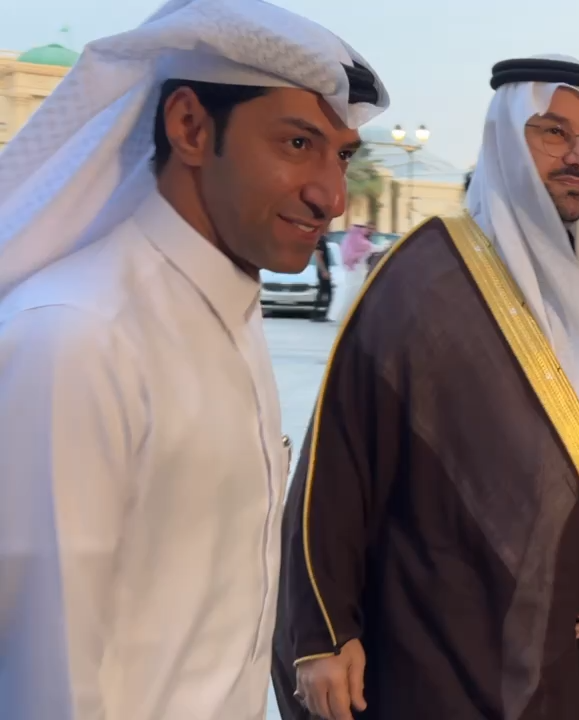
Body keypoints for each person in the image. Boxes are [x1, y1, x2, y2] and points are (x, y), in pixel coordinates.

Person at [0, 2, 388, 719]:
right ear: (190, 127)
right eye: (297, 143)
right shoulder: (78, 338)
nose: (331, 196)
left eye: (340, 155)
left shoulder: (224, 315)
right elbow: (45, 685)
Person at [271, 56, 579, 720]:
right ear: (508, 140)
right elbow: (340, 465)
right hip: (443, 636)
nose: (578, 156)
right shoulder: (423, 275)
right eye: (553, 132)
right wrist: (323, 632)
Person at [327, 223, 373, 321]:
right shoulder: (360, 241)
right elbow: (371, 248)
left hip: (352, 271)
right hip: (357, 271)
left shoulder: (348, 240)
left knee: (351, 292)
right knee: (355, 292)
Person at [313, 233, 336, 321]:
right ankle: (318, 314)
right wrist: (324, 271)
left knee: (325, 292)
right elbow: (318, 256)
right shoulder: (320, 241)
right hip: (322, 270)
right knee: (324, 292)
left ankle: (322, 314)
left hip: (324, 269)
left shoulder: (323, 240)